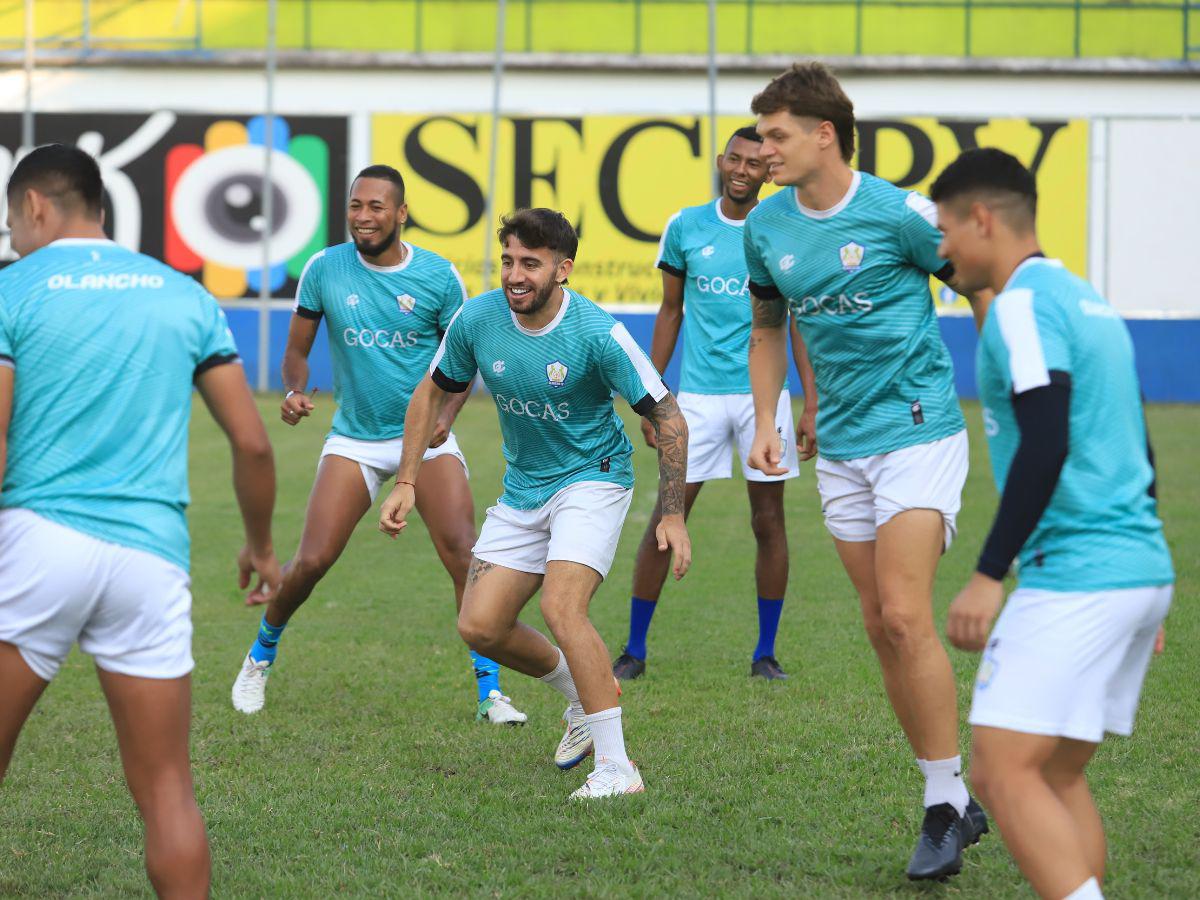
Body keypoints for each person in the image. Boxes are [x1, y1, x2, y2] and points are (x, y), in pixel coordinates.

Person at [0, 143, 281, 899]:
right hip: (152, 560)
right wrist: (259, 546)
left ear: (34, 207)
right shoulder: (182, 295)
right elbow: (252, 442)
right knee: (165, 789)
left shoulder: (12, 288)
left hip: (39, 543)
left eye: (11, 222)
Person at [742, 62, 988, 879]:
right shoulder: (766, 227)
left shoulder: (901, 214)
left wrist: (1017, 386)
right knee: (878, 623)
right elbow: (769, 327)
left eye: (776, 135)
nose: (762, 149)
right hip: (840, 446)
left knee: (905, 611)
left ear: (824, 133)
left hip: (918, 430)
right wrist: (775, 416)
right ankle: (948, 794)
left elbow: (982, 285)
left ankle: (942, 806)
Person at [379, 208, 692, 799]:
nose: (515, 275)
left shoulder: (597, 332)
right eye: (507, 261)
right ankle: (582, 696)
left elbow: (667, 416)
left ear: (562, 269)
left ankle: (618, 767)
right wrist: (406, 479)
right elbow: (431, 391)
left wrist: (672, 512)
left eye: (530, 263)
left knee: (561, 608)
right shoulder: (478, 317)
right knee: (479, 625)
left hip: (593, 478)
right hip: (525, 487)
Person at [931, 148, 1174, 900]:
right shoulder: (1084, 297)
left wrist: (986, 574)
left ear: (982, 219)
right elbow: (1139, 440)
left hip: (1077, 575)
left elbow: (1046, 439)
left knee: (1003, 772)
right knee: (1058, 773)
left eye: (947, 231)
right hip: (1135, 569)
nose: (943, 251)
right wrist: (1142, 577)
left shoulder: (1022, 306)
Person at [230, 165, 525, 726]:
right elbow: (297, 351)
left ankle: (491, 692)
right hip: (357, 437)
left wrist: (448, 415)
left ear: (401, 213)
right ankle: (259, 656)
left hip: (426, 440)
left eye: (376, 207)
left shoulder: (439, 278)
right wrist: (294, 388)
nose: (364, 216)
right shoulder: (325, 268)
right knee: (313, 559)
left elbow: (465, 363)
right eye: (356, 205)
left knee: (464, 553)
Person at [612, 125, 816, 682]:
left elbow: (791, 323)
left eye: (756, 162)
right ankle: (633, 650)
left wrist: (811, 401)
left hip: (763, 398)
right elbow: (670, 311)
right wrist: (652, 395)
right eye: (736, 160)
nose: (744, 170)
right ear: (722, 161)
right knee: (667, 513)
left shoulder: (783, 227)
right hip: (697, 398)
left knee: (768, 521)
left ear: (768, 170)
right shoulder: (686, 226)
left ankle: (765, 654)